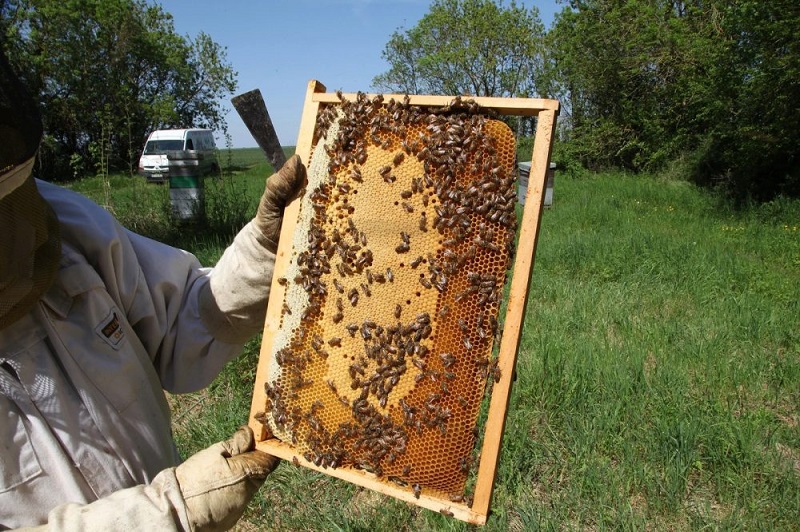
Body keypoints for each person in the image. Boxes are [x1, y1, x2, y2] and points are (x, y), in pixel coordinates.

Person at [0, 47, 305, 530]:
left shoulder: (70, 224)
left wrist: (268, 246)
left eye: (15, 199)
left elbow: (185, 321)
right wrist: (168, 513)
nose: (17, 232)